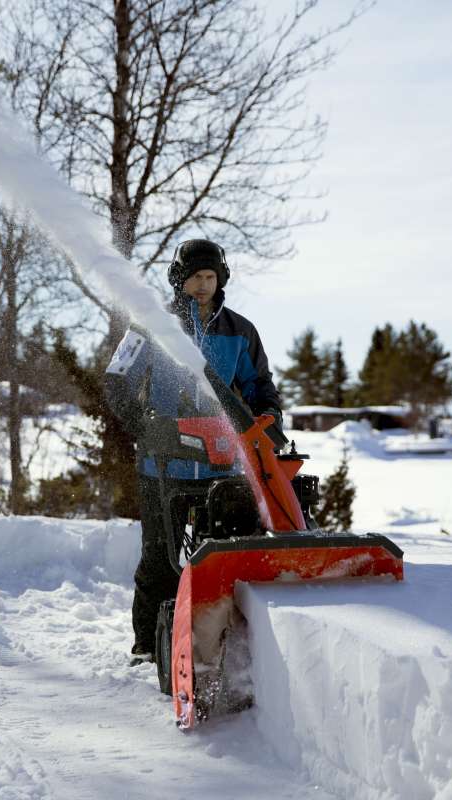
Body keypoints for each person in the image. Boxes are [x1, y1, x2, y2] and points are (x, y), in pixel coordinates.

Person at [103, 238, 282, 665]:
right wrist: (144, 427)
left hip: (224, 467)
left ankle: (229, 646)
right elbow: (116, 379)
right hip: (163, 463)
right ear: (178, 280)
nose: (202, 285)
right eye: (193, 278)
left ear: (220, 278)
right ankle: (148, 645)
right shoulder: (150, 325)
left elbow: (260, 387)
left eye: (209, 276)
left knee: (230, 557)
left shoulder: (240, 332)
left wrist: (269, 418)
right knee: (161, 557)